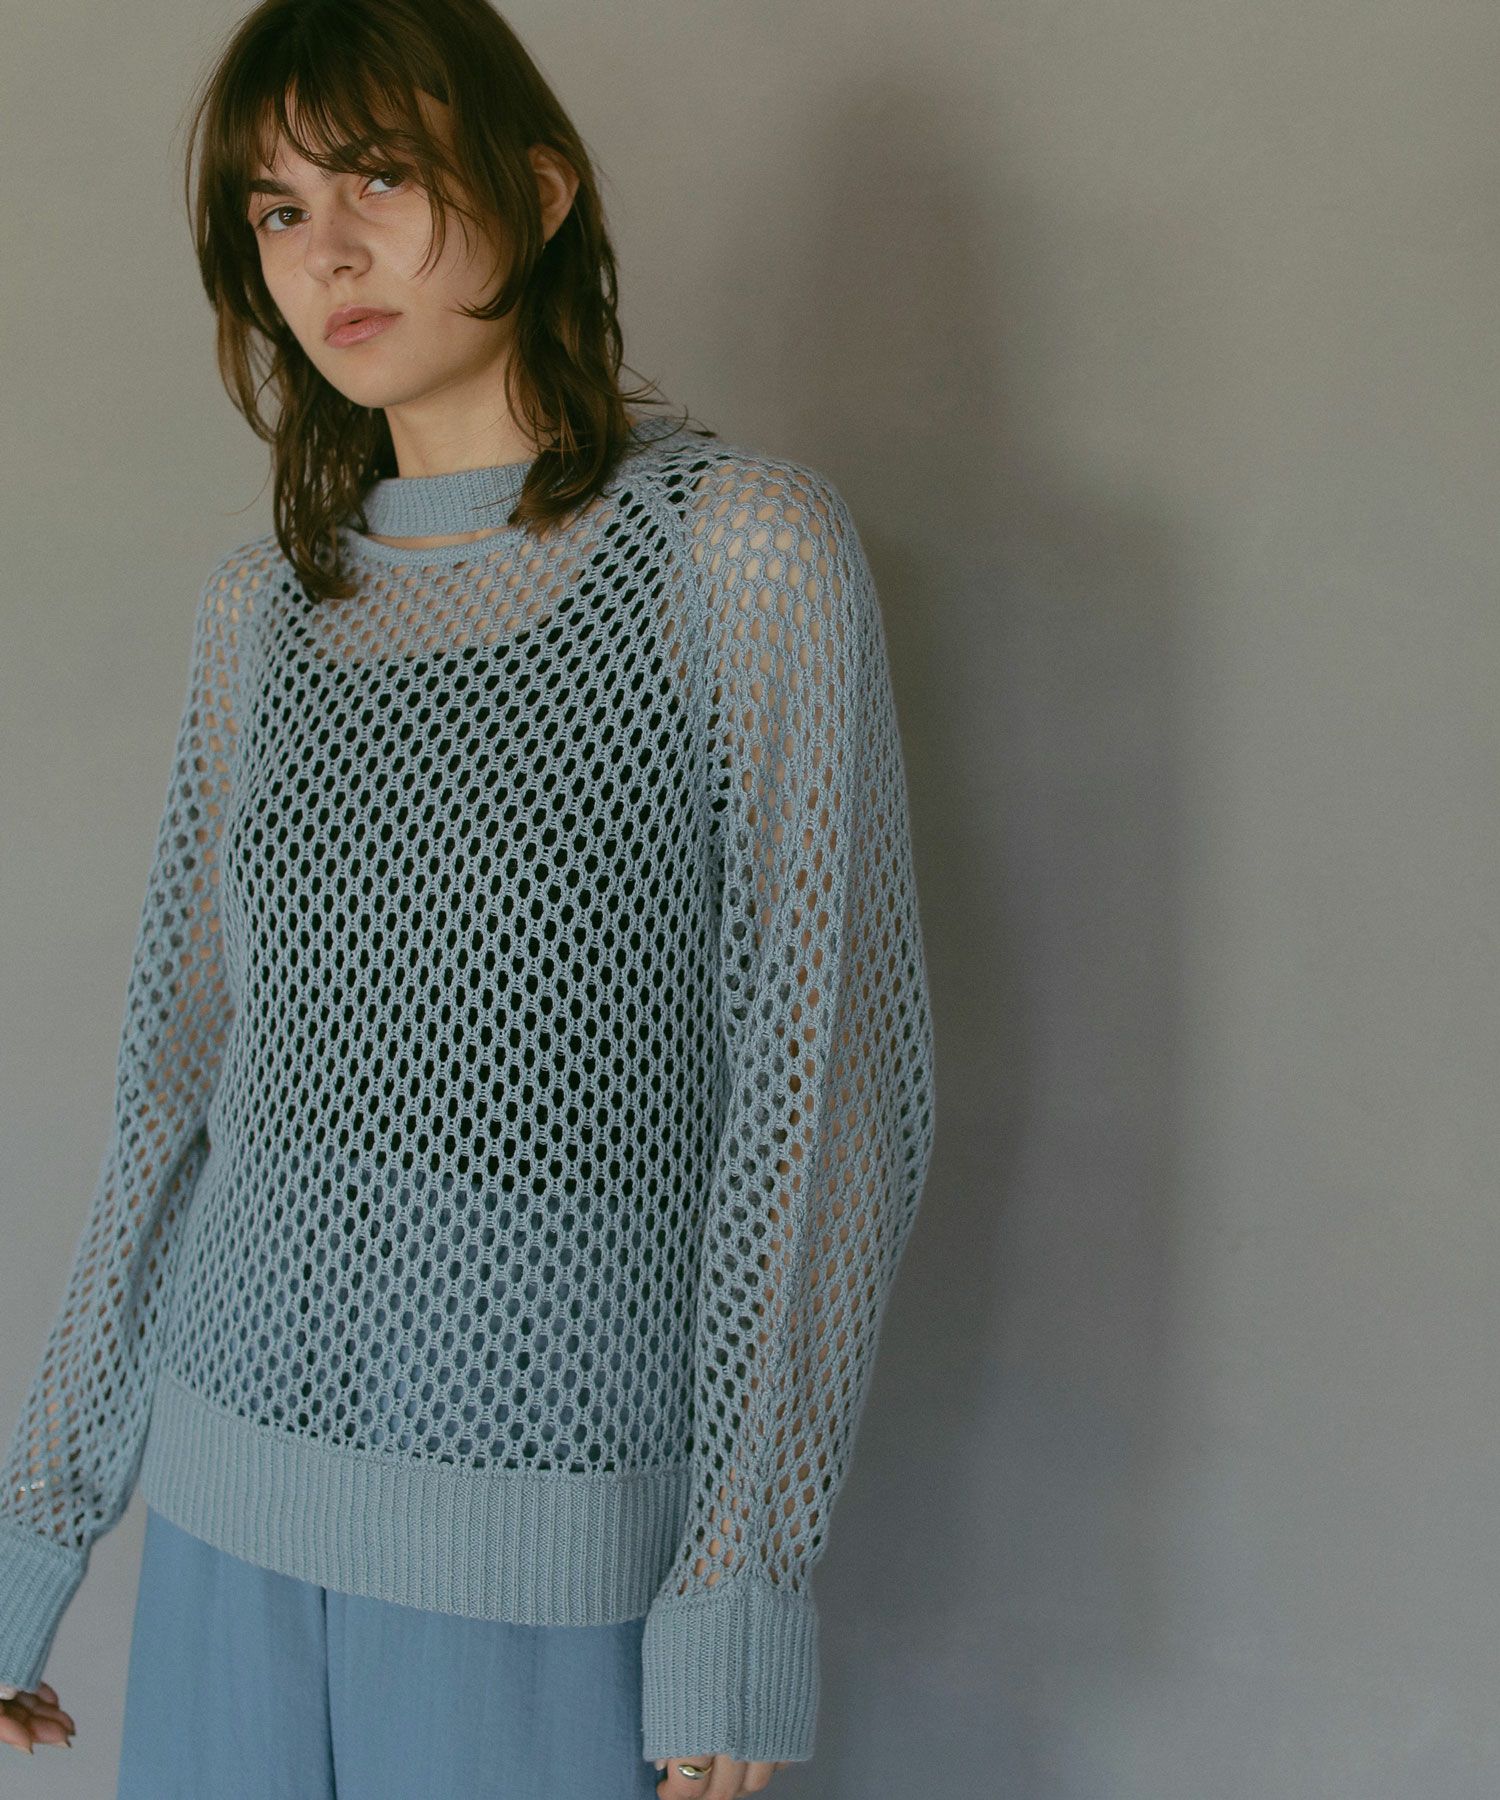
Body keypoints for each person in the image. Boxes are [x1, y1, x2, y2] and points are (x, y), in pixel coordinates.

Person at [0, 0, 937, 1794]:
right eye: (278, 211)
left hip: (542, 1537)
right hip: (226, 1504)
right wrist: (32, 1532)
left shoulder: (737, 552)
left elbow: (829, 1102)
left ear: (539, 189)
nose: (327, 252)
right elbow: (175, 1093)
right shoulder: (261, 612)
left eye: (379, 177)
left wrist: (740, 1584)